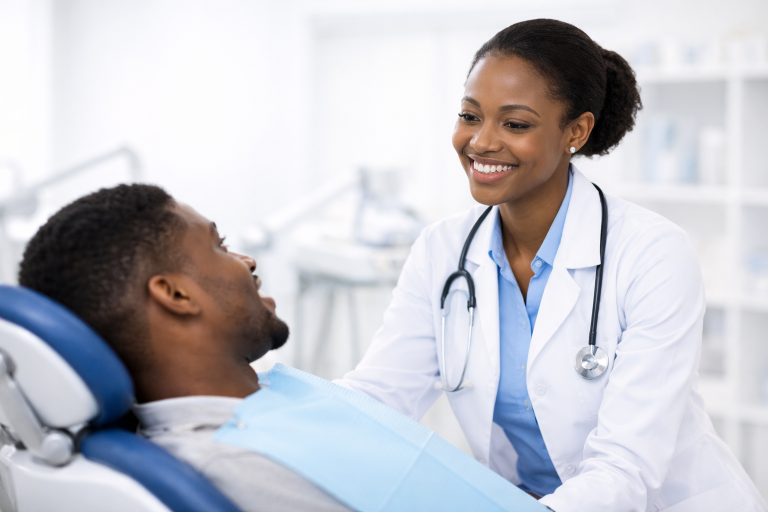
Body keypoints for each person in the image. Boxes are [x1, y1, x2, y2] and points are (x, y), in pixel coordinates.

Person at [335, 18, 766, 512]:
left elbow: (625, 467)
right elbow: (377, 396)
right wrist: (263, 416)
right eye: (470, 116)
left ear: (576, 132)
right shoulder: (442, 250)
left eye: (515, 124)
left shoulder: (653, 254)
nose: (481, 142)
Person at [17, 184, 543, 512]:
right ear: (175, 294)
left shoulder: (256, 409)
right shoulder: (235, 463)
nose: (244, 260)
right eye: (219, 245)